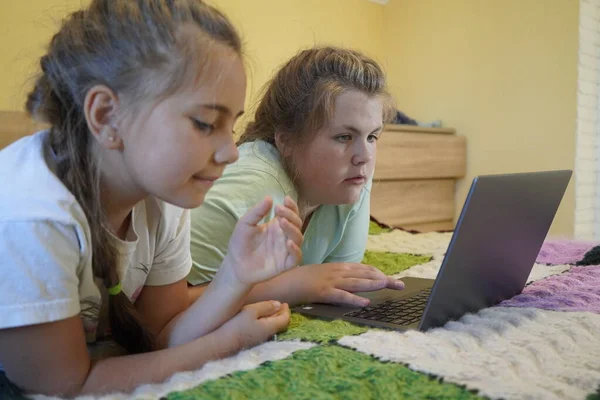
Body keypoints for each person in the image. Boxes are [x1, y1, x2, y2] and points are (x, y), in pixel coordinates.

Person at [0, 0, 304, 397]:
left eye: (232, 126)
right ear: (107, 115)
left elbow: (158, 335)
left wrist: (236, 275)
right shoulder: (32, 216)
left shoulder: (165, 196)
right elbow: (66, 386)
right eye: (206, 123)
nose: (231, 152)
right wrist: (227, 342)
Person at [189, 46, 405, 307]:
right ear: (286, 140)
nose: (364, 156)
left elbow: (337, 278)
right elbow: (160, 313)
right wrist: (290, 286)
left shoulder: (351, 178)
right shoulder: (248, 191)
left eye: (372, 137)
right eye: (344, 137)